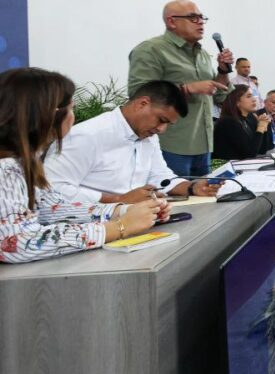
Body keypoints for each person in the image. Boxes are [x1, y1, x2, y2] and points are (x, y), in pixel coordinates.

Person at [0, 68, 165, 263]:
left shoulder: (23, 162)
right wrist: (118, 227)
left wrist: (122, 211)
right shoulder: (7, 170)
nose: (74, 116)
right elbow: (17, 244)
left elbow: (51, 208)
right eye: (71, 108)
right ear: (47, 115)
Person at [45, 80, 222, 203]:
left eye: (168, 124)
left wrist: (192, 188)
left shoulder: (148, 136)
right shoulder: (87, 136)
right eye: (161, 120)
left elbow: (161, 177)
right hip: (92, 225)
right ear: (142, 104)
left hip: (135, 220)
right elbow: (53, 189)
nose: (161, 130)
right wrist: (118, 200)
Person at [128, 0, 233, 176]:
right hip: (171, 144)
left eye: (202, 18)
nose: (200, 22)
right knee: (175, 201)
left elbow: (219, 97)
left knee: (204, 201)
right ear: (171, 21)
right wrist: (188, 88)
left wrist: (222, 71)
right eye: (193, 17)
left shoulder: (203, 55)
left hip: (204, 143)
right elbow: (138, 94)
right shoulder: (151, 50)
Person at [213, 85, 272, 161]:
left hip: (243, 165)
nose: (254, 99)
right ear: (237, 102)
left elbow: (263, 149)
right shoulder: (228, 122)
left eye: (253, 96)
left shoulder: (250, 117)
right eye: (249, 96)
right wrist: (260, 128)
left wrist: (265, 126)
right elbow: (249, 154)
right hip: (226, 167)